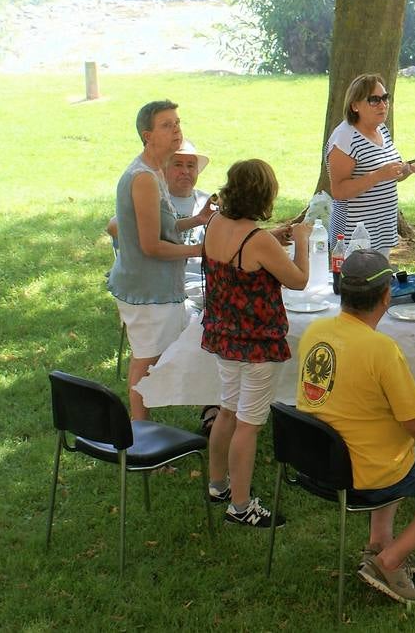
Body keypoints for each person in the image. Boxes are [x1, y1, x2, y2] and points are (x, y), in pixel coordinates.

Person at [297, 250, 415, 604]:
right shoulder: (381, 349)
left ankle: (379, 544)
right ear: (387, 296)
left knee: (397, 448)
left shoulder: (315, 332)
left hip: (320, 463)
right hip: (368, 470)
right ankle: (390, 560)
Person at [201, 159, 310, 528]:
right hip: (258, 344)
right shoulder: (259, 240)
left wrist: (273, 237)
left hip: (223, 336)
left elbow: (245, 249)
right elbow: (297, 280)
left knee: (227, 411)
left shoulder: (215, 224)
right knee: (249, 423)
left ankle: (218, 485)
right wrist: (303, 243)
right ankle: (242, 506)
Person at [107, 100, 213, 420]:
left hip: (158, 287)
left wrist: (197, 220)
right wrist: (200, 251)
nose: (177, 129)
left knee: (151, 359)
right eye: (167, 125)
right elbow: (151, 246)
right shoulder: (144, 179)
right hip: (147, 290)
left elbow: (163, 227)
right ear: (147, 135)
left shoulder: (154, 171)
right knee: (146, 362)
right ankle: (140, 436)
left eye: (178, 123)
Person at [325, 74, 415, 255]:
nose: (383, 105)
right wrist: (377, 175)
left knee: (379, 281)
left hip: (380, 231)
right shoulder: (344, 138)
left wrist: (411, 169)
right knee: (356, 283)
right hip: (353, 236)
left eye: (385, 98)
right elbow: (339, 191)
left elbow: (390, 174)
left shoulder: (381, 129)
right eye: (374, 100)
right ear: (355, 105)